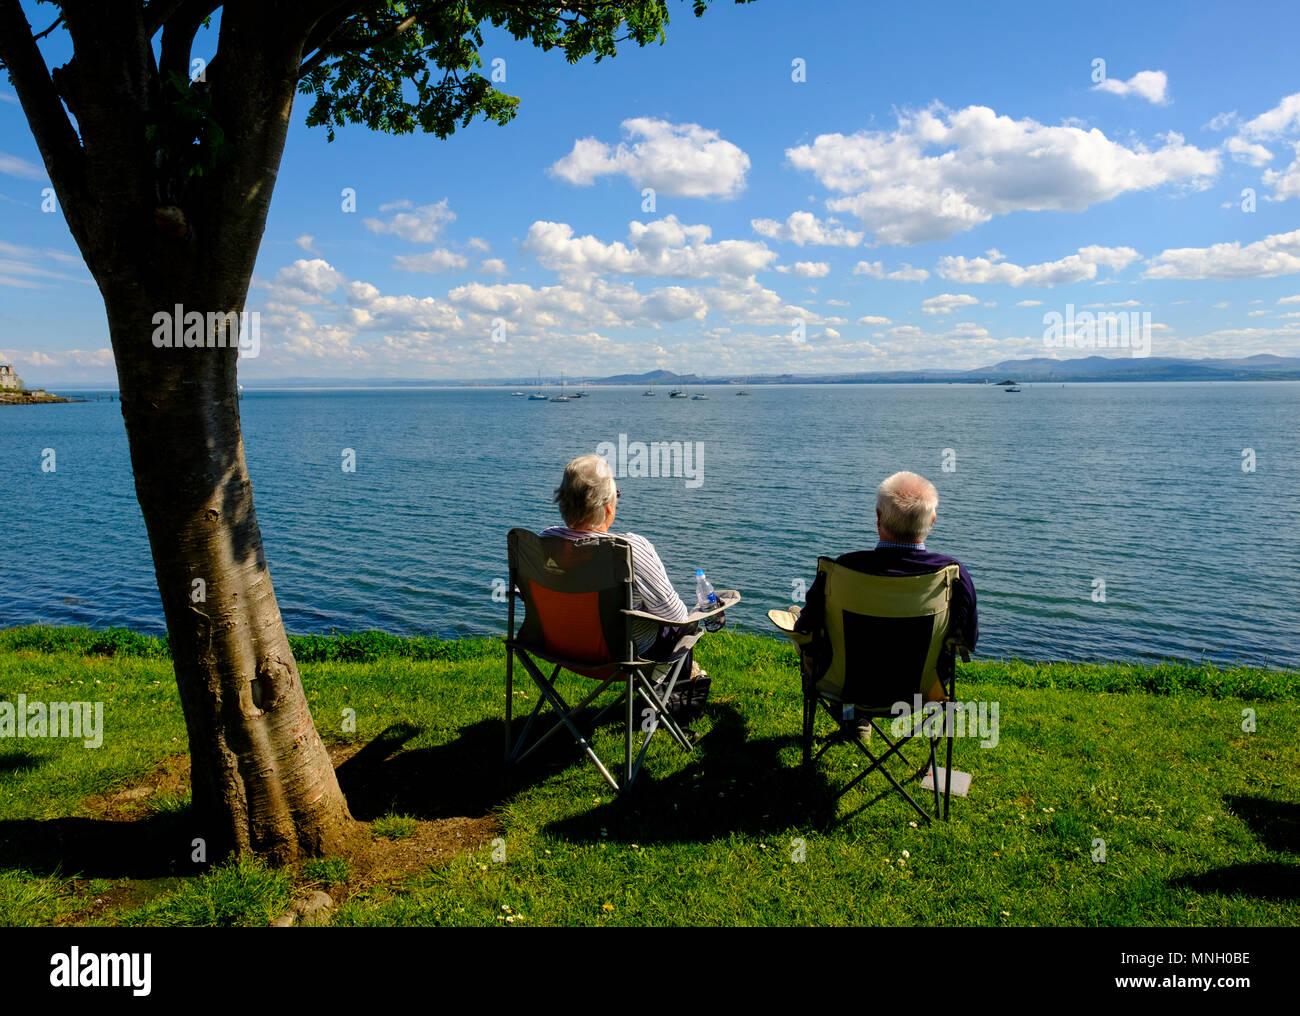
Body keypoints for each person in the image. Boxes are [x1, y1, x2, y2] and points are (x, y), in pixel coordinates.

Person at [794, 470, 977, 702]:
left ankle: (856, 719)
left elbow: (806, 626)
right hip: (923, 691)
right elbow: (967, 642)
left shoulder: (843, 569)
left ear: (878, 517)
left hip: (846, 686)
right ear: (932, 521)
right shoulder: (953, 575)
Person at [540, 454, 708, 690]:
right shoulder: (629, 549)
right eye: (616, 495)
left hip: (560, 646)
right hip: (617, 656)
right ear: (609, 507)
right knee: (682, 630)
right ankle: (672, 698)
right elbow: (676, 616)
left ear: (563, 501)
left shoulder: (546, 542)